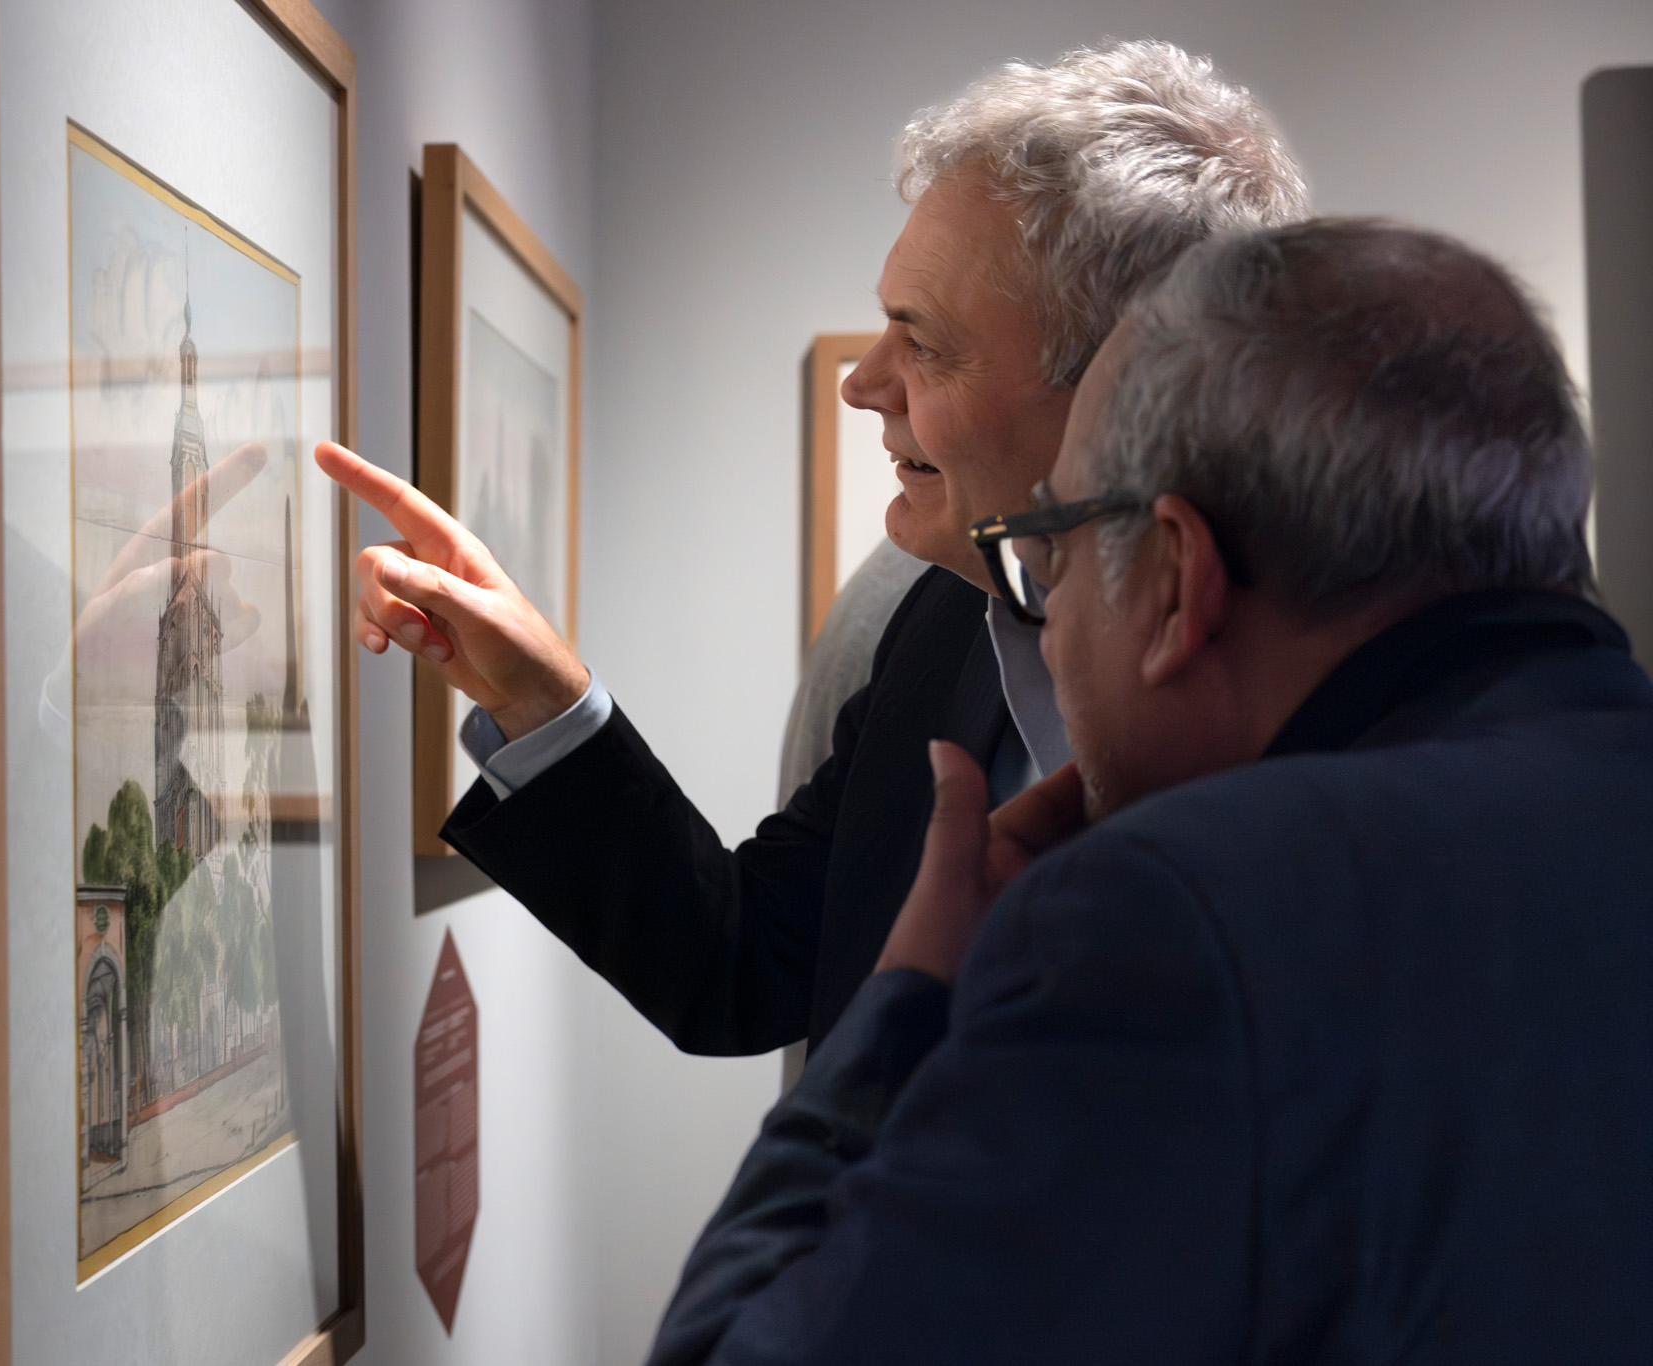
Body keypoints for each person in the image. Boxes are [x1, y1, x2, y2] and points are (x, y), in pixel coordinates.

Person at [649, 218, 1653, 1364]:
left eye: (1051, 558)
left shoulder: (1175, 916)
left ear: (1177, 577)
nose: (1047, 618)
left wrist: (904, 1008)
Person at [320, 41, 1307, 1053]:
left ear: (1120, 389)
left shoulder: (1329, 740)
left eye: (922, 344)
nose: (861, 383)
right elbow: (751, 964)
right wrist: (542, 702)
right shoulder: (937, 617)